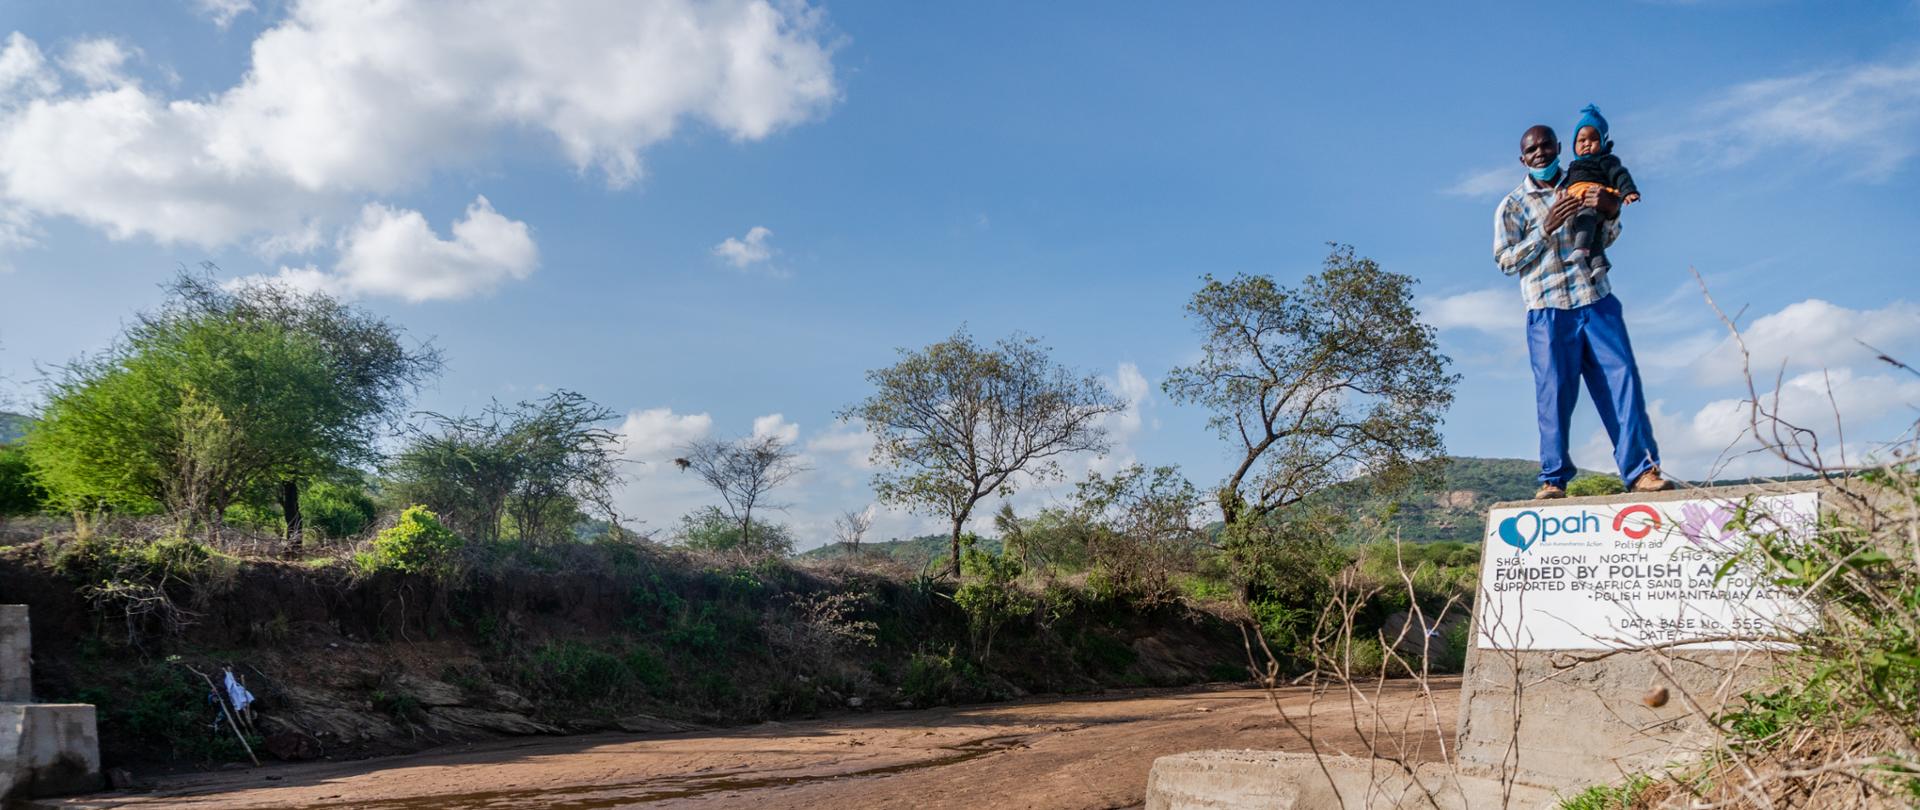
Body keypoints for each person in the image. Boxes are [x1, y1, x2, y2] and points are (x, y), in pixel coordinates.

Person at [1494, 124, 1673, 499]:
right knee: (1553, 393)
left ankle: (1641, 471)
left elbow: (1605, 236)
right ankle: (1553, 479)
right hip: (1548, 310)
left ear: (1559, 147)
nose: (1540, 153)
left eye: (1546, 146)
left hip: (1596, 301)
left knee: (1621, 383)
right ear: (1522, 158)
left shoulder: (1584, 179)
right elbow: (1506, 262)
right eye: (1532, 150)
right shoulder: (1512, 205)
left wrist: (1610, 213)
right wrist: (1546, 227)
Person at [1564, 104, 1640, 282]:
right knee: (1595, 237)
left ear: (1603, 142)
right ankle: (1599, 265)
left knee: (1585, 219)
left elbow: (1620, 175)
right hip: (1579, 200)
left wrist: (1628, 191)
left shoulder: (1606, 161)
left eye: (1593, 139)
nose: (1586, 144)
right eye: (1581, 140)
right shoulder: (1574, 166)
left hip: (1595, 201)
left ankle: (1580, 248)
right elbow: (1567, 184)